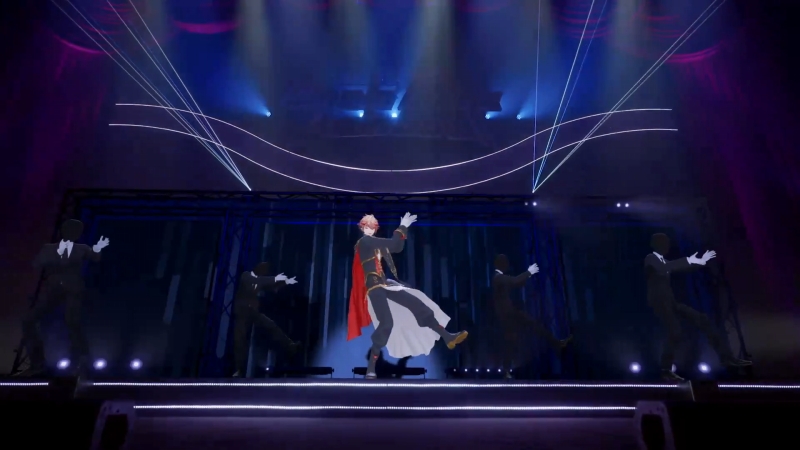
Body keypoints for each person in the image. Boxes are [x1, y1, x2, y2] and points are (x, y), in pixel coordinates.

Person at [347, 213, 467, 379]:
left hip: (384, 284)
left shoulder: (375, 244)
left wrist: (404, 229)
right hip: (374, 287)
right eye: (366, 226)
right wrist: (403, 226)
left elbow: (397, 247)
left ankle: (447, 337)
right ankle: (371, 367)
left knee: (417, 304)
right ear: (362, 228)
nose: (369, 229)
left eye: (372, 227)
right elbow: (394, 244)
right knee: (386, 323)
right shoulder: (365, 242)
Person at [645, 233, 751, 381]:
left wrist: (700, 261)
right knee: (675, 332)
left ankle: (726, 358)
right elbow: (665, 267)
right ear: (657, 244)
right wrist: (689, 259)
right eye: (664, 243)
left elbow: (679, 267)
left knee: (703, 320)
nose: (667, 246)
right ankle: (665, 370)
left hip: (671, 302)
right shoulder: (651, 258)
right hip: (659, 303)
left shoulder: (664, 261)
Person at [17, 219, 109, 377]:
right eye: (71, 230)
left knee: (72, 321)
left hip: (73, 290)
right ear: (63, 231)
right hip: (53, 290)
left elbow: (95, 257)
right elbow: (37, 263)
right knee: (28, 320)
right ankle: (37, 363)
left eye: (77, 231)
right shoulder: (49, 248)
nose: (74, 233)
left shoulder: (81, 248)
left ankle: (82, 362)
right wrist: (56, 256)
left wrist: (98, 248)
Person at [492, 254, 572, 379]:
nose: (507, 265)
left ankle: (556, 343)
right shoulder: (498, 278)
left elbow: (516, 282)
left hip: (510, 314)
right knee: (512, 341)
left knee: (524, 332)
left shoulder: (500, 278)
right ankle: (506, 370)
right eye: (505, 262)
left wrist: (528, 275)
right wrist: (529, 272)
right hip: (507, 316)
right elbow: (514, 281)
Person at [232, 262, 301, 378]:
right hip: (242, 313)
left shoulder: (260, 281)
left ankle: (290, 346)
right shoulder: (246, 276)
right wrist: (275, 279)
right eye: (264, 270)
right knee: (239, 341)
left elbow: (271, 286)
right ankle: (238, 369)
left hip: (253, 313)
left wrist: (287, 281)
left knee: (270, 325)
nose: (265, 272)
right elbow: (260, 281)